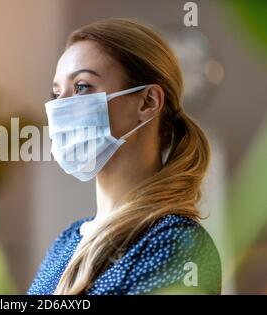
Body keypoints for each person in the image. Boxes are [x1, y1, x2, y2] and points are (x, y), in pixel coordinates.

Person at [27, 17, 221, 295]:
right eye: (56, 92)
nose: (60, 107)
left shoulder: (177, 244)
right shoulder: (67, 240)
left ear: (148, 102)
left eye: (82, 87)